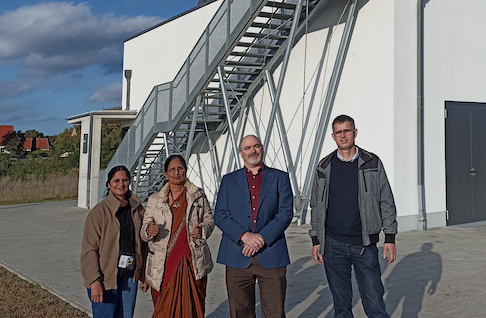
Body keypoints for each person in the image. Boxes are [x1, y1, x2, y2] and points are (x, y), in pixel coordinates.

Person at [309, 114, 398, 318]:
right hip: (333, 245)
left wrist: (390, 238)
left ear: (355, 132)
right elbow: (316, 205)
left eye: (347, 131)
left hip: (364, 244)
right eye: (339, 132)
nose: (343, 136)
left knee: (375, 303)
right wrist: (316, 239)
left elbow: (386, 200)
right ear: (333, 136)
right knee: (341, 307)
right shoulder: (324, 167)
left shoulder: (372, 163)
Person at [214, 134, 293, 318]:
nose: (253, 151)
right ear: (241, 153)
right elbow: (220, 215)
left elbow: (285, 213)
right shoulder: (229, 180)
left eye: (256, 146)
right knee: (240, 311)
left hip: (271, 254)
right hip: (237, 255)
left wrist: (262, 238)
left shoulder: (280, 178)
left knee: (274, 312)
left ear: (262, 149)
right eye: (248, 148)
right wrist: (244, 236)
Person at [141, 154, 214, 318]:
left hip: (192, 260)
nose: (176, 172)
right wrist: (148, 230)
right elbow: (144, 228)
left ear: (186, 171)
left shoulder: (198, 196)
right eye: (172, 169)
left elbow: (209, 219)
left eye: (180, 168)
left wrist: (202, 230)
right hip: (163, 263)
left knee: (194, 306)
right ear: (166, 174)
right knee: (163, 308)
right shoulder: (155, 200)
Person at [81, 165, 148, 318]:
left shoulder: (137, 209)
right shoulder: (99, 212)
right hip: (106, 279)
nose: (121, 184)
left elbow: (143, 245)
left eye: (125, 180)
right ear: (109, 184)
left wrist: (143, 273)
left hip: (129, 277)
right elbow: (89, 249)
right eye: (116, 180)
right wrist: (94, 280)